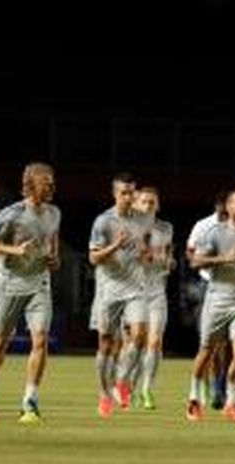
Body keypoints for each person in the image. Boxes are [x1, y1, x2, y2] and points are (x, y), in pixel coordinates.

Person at [0, 162, 61, 424]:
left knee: (40, 340)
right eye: (45, 181)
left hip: (39, 283)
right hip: (11, 284)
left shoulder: (54, 213)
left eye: (52, 181)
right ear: (30, 184)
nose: (51, 185)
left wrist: (54, 259)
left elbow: (53, 240)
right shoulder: (12, 214)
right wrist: (16, 251)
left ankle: (30, 401)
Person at [185, 189, 235, 423]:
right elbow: (195, 261)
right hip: (217, 300)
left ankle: (233, 402)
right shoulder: (215, 233)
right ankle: (193, 398)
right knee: (207, 351)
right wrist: (222, 259)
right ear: (228, 207)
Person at [88, 173, 149, 418]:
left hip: (135, 288)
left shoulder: (143, 220)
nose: (128, 197)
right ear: (115, 194)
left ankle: (121, 382)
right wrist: (115, 245)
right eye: (124, 193)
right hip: (109, 290)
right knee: (106, 343)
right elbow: (93, 258)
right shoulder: (103, 222)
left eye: (132, 192)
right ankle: (104, 395)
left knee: (140, 336)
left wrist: (145, 254)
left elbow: (142, 247)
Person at [185, 191, 229, 410]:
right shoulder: (203, 226)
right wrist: (211, 260)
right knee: (208, 342)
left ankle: (218, 385)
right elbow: (191, 254)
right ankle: (208, 386)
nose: (225, 213)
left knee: (224, 345)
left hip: (231, 289)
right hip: (207, 286)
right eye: (222, 210)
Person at [131, 186, 174, 410]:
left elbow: (168, 257)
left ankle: (146, 389)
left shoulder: (165, 228)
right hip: (132, 292)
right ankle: (127, 382)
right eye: (144, 201)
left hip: (157, 291)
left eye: (152, 201)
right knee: (134, 342)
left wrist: (168, 261)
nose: (148, 205)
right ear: (135, 204)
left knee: (155, 341)